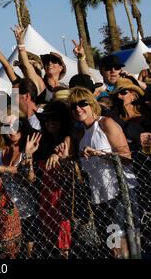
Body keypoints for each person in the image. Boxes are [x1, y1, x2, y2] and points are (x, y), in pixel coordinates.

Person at [66, 87, 141, 259]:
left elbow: (127, 157)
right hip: (99, 197)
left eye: (82, 103)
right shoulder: (80, 135)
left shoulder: (105, 123)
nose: (78, 108)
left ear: (92, 104)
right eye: (73, 106)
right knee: (114, 250)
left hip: (120, 192)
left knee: (129, 249)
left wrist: (101, 154)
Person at [0, 116, 41, 258]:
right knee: (8, 255)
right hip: (2, 211)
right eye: (6, 126)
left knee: (30, 254)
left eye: (15, 125)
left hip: (26, 211)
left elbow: (29, 178)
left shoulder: (28, 146)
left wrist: (26, 156)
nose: (11, 129)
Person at [34, 101, 73, 258]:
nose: (49, 122)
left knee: (65, 244)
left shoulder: (69, 138)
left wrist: (57, 155)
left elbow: (69, 150)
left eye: (54, 119)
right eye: (46, 119)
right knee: (50, 245)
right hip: (46, 197)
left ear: (63, 120)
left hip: (64, 196)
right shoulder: (41, 142)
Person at [11, 25, 68, 104]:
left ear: (61, 68)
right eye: (47, 61)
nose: (50, 63)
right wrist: (20, 43)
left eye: (54, 61)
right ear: (44, 67)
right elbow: (27, 66)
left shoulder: (66, 87)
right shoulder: (40, 83)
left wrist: (81, 58)